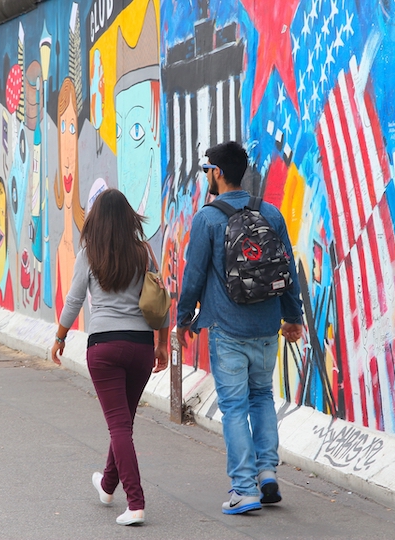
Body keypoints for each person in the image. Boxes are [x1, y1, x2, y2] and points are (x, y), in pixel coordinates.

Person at [176, 141, 304, 515]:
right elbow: (288, 272)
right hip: (266, 328)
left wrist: (184, 318)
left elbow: (194, 276)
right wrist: (293, 317)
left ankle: (244, 489)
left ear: (216, 172)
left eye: (206, 171)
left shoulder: (208, 219)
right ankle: (266, 472)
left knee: (233, 407)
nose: (207, 178)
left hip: (227, 330)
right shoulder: (271, 213)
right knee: (262, 397)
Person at [52, 188, 169, 526]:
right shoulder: (144, 252)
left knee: (119, 425)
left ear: (97, 221)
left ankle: (135, 502)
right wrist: (161, 345)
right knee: (124, 423)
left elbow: (74, 300)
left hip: (103, 348)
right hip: (140, 347)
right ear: (128, 217)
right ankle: (107, 486)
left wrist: (60, 337)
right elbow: (160, 300)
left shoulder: (89, 253)